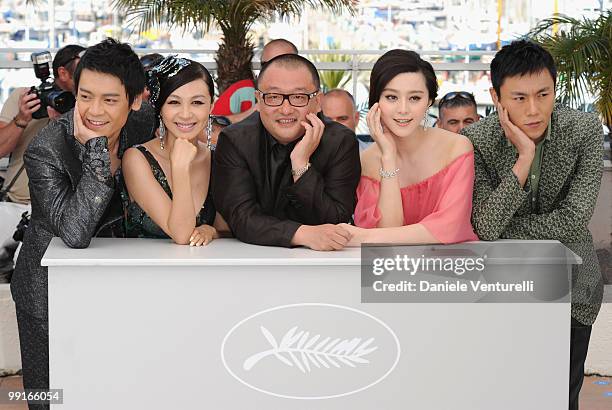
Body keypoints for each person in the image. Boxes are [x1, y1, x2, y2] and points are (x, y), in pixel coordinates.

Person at [11, 38, 154, 410]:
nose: (93, 111)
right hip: (46, 292)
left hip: (114, 282)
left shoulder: (143, 125)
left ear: (135, 99)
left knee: (111, 387)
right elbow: (74, 232)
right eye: (85, 96)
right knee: (50, 397)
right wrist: (94, 150)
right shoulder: (46, 148)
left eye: (109, 100)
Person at [461, 40, 604, 410]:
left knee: (561, 396)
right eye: (520, 98)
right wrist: (524, 157)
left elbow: (575, 219)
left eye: (544, 94)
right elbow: (485, 227)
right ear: (496, 95)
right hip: (504, 287)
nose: (534, 109)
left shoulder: (583, 129)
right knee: (506, 392)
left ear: (555, 89)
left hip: (574, 288)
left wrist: (505, 222)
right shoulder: (475, 140)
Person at [213, 53, 360, 251]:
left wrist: (301, 165)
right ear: (258, 100)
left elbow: (336, 219)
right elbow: (241, 218)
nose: (285, 109)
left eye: (298, 97)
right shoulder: (235, 140)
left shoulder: (340, 141)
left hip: (323, 263)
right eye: (273, 97)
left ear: (317, 102)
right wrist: (303, 234)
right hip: (251, 258)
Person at [340, 49, 478, 245]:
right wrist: (388, 157)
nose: (403, 109)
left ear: (429, 101)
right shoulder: (367, 161)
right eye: (391, 97)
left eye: (414, 98)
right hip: (386, 271)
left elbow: (451, 227)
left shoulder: (456, 148)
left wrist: (364, 236)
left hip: (451, 268)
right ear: (376, 101)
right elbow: (388, 233)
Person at [122, 56, 226, 245]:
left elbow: (229, 228)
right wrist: (180, 169)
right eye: (174, 102)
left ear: (211, 105)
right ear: (159, 108)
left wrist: (211, 231)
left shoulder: (218, 158)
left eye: (197, 103)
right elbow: (182, 235)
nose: (186, 114)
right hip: (142, 272)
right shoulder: (136, 159)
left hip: (205, 271)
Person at [0, 45, 85, 240]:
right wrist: (21, 119)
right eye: (81, 70)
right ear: (62, 73)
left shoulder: (87, 106)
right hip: (17, 205)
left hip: (58, 210)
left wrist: (64, 123)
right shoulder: (25, 97)